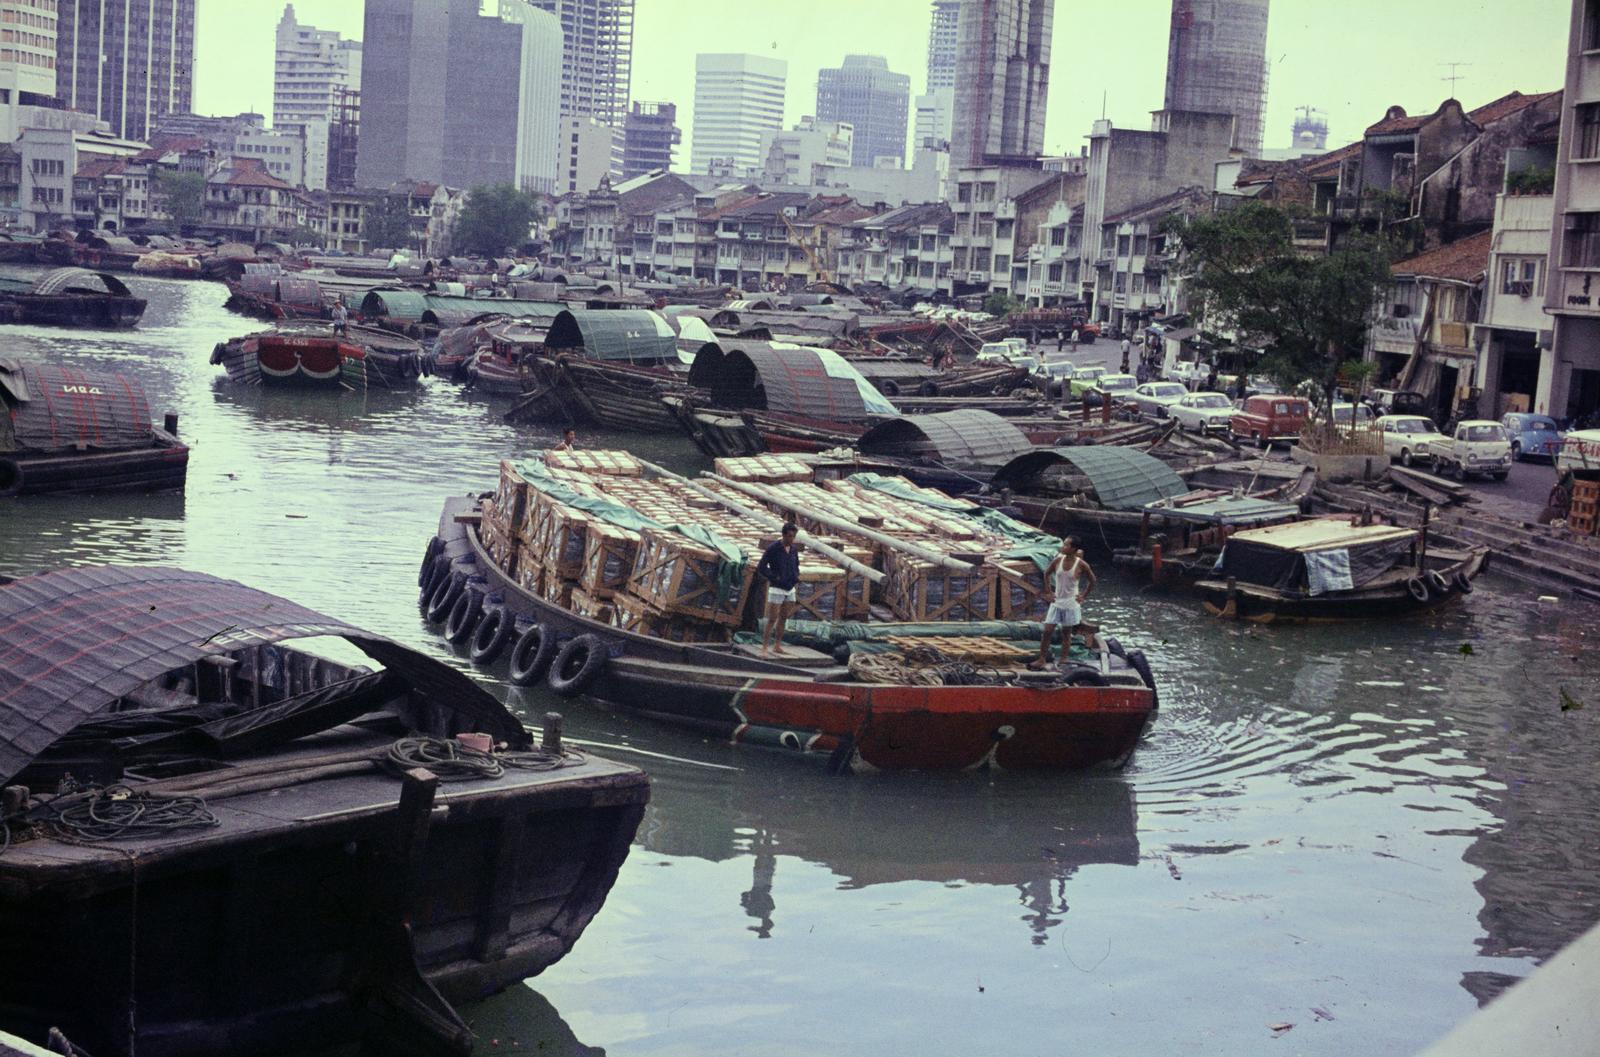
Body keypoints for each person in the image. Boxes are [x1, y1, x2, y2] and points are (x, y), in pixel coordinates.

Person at [1029, 537, 1098, 670]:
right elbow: (1047, 573)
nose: (1063, 547)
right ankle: (1041, 658)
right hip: (1057, 601)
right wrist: (1048, 591)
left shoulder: (1081, 564)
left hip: (1071, 603)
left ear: (1073, 549)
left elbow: (1092, 580)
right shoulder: (1058, 560)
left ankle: (1063, 659)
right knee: (1047, 631)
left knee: (1066, 633)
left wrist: (1083, 596)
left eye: (1066, 545)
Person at [757, 522, 803, 655]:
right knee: (772, 618)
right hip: (777, 587)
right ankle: (765, 647)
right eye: (789, 536)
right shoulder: (773, 548)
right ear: (783, 535)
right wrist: (774, 577)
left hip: (790, 587)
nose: (791, 539)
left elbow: (796, 564)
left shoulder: (793, 549)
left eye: (793, 536)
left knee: (783, 618)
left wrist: (796, 576)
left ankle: (777, 645)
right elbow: (761, 567)